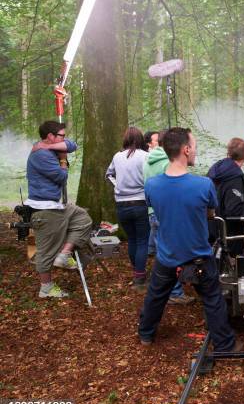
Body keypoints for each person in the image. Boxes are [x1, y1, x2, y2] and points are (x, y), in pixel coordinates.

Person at [138, 127, 240, 351]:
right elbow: (210, 214)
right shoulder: (203, 185)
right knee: (213, 300)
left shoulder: (152, 186)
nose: (195, 151)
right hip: (198, 257)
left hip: (167, 256)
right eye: (194, 147)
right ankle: (225, 345)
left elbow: (156, 208)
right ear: (185, 150)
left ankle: (146, 335)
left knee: (156, 297)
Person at [25, 121, 92, 298]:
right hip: (45, 208)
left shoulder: (48, 147)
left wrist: (60, 146)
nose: (65, 139)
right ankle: (46, 288)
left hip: (57, 205)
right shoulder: (41, 155)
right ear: (50, 136)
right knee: (46, 251)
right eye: (61, 136)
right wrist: (63, 160)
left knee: (82, 218)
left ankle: (64, 254)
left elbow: (72, 145)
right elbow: (61, 177)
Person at [143, 129, 194, 304]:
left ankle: (166, 289)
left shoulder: (148, 160)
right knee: (172, 254)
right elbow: (173, 189)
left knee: (162, 253)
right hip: (166, 213)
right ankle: (175, 293)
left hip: (153, 212)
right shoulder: (168, 163)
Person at [106, 127, 150, 288]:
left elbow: (108, 174)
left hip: (121, 203)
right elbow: (152, 177)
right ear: (140, 139)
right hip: (140, 202)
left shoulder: (117, 156)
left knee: (132, 239)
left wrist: (118, 186)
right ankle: (140, 277)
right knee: (142, 240)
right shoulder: (146, 156)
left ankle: (137, 272)